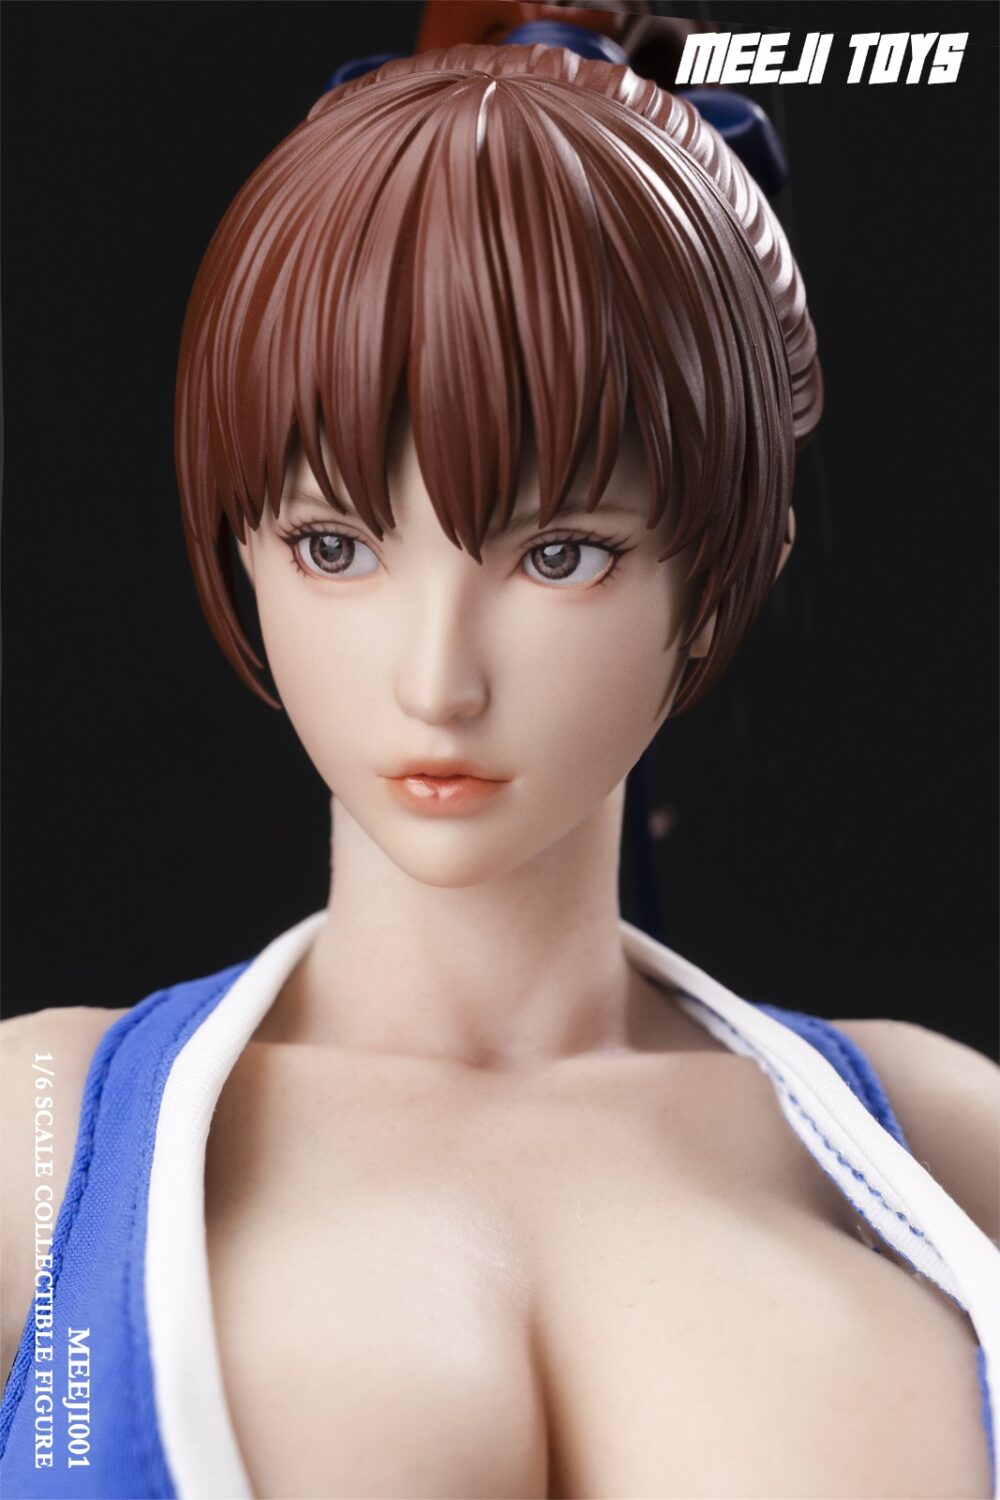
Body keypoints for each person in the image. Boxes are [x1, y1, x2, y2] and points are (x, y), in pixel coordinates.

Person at [2, 41, 998, 1500]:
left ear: (728, 575)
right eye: (333, 545)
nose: (436, 681)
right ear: (238, 548)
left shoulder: (950, 1144)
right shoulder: (39, 1140)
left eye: (561, 554)